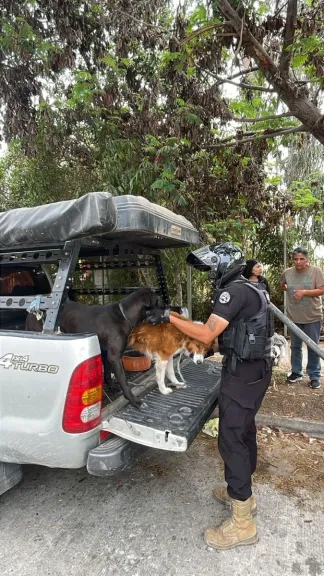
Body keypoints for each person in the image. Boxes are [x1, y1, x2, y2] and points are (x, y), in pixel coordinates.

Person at [146, 242, 273, 550]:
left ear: (222, 265)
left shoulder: (233, 291)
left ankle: (243, 522)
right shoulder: (250, 288)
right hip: (254, 369)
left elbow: (206, 333)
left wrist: (168, 316)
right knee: (243, 431)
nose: (208, 276)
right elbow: (231, 334)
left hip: (243, 374)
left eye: (210, 270)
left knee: (231, 438)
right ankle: (243, 496)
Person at [279, 247, 324, 389]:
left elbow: (322, 289)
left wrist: (304, 292)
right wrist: (289, 290)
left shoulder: (316, 271)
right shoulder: (287, 272)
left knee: (312, 346)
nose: (298, 262)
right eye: (296, 259)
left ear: (307, 259)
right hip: (294, 316)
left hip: (312, 316)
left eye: (301, 259)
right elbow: (282, 285)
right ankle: (296, 372)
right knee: (295, 346)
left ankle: (314, 376)